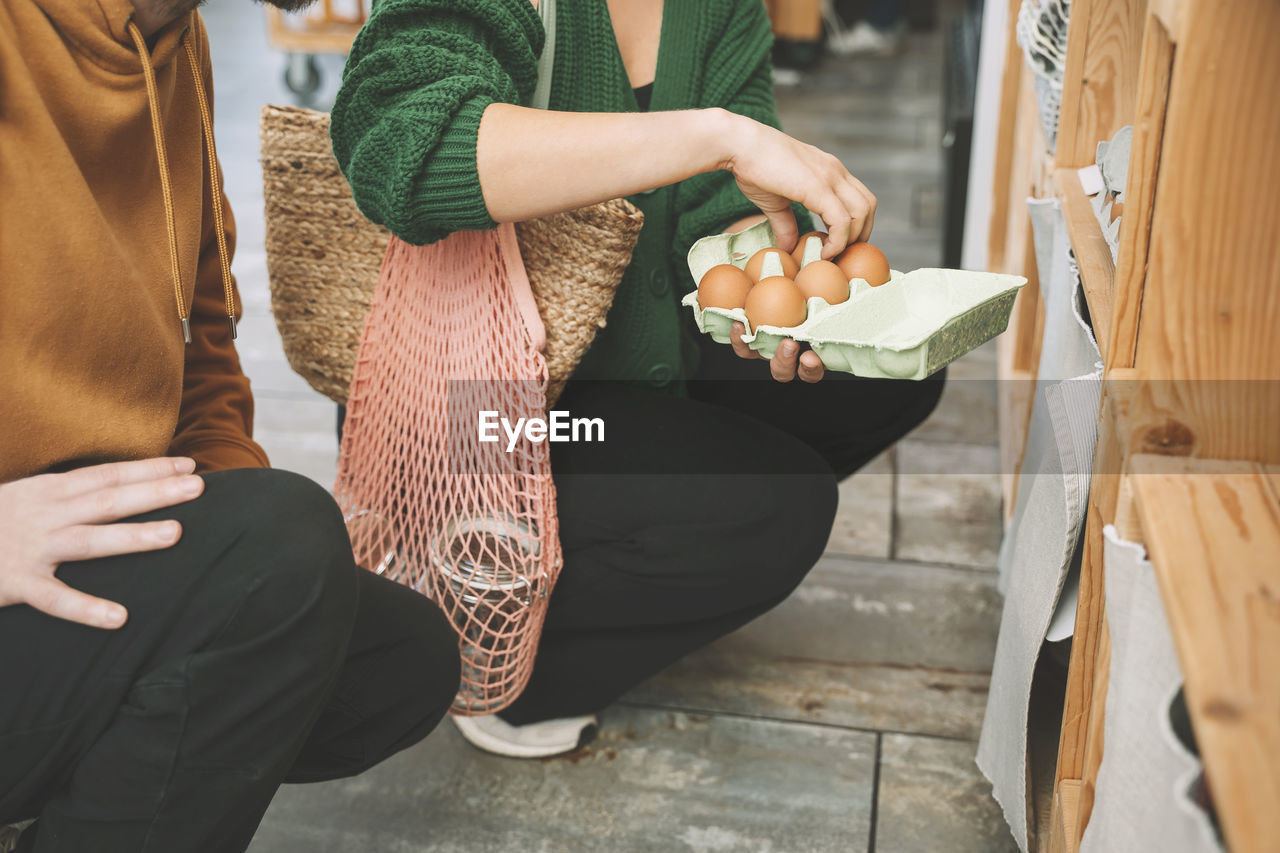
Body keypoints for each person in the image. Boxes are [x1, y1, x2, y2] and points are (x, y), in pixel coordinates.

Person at [330, 0, 943, 758]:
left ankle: (606, 567)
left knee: (892, 371)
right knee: (780, 507)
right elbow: (403, 149)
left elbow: (712, 211)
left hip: (624, 359)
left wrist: (770, 281)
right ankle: (503, 653)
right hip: (476, 400)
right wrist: (717, 137)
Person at [0, 0, 461, 849]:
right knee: (283, 559)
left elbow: (203, 344)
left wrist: (247, 568)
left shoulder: (174, 41)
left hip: (83, 550)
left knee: (394, 661)